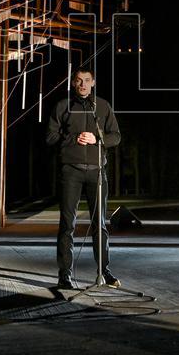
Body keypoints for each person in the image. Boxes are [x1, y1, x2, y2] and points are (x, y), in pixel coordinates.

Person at [46, 66, 122, 290]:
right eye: (78, 81)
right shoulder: (63, 106)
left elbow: (115, 136)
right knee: (67, 224)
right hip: (72, 171)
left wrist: (97, 139)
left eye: (87, 80)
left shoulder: (103, 106)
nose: (83, 84)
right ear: (72, 83)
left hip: (98, 172)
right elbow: (50, 137)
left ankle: (103, 271)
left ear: (93, 82)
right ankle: (65, 274)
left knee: (100, 225)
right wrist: (74, 138)